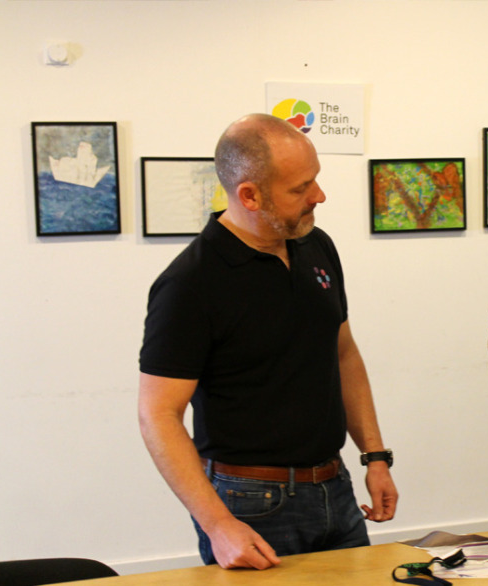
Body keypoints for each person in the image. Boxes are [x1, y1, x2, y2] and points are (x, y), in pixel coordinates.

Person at [138, 114, 398, 570]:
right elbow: (157, 414)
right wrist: (218, 525)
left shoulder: (317, 246)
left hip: (335, 486)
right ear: (250, 195)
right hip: (250, 504)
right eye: (301, 188)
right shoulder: (190, 284)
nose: (319, 195)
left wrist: (374, 456)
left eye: (315, 180)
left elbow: (343, 354)